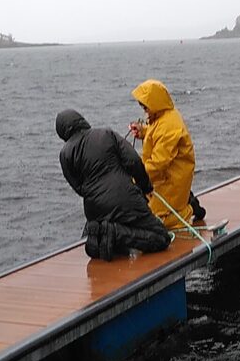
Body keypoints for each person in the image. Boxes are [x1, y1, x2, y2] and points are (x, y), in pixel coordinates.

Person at [56, 109, 171, 261]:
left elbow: (79, 188)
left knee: (116, 237)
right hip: (125, 198)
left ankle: (101, 235)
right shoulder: (106, 134)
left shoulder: (65, 154)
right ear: (81, 120)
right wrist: (145, 187)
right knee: (161, 238)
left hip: (94, 209)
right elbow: (134, 162)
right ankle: (115, 233)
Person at [128, 79, 205, 229]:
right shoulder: (162, 116)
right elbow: (156, 134)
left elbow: (158, 163)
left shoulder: (169, 125)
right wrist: (143, 131)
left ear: (154, 102)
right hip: (166, 178)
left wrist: (135, 177)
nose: (143, 108)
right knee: (150, 212)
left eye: (144, 104)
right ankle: (188, 202)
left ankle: (188, 210)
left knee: (159, 220)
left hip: (171, 177)